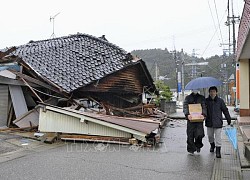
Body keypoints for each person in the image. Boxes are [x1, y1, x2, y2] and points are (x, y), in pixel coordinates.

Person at [205, 86, 231, 158]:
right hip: (209, 122)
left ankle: (218, 152)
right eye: (211, 91)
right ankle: (212, 145)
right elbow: (202, 110)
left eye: (214, 91)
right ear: (209, 92)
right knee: (210, 136)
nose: (212, 93)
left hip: (218, 122)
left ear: (216, 92)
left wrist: (228, 119)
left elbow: (225, 110)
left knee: (218, 137)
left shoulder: (220, 101)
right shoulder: (206, 101)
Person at [183, 89, 206, 154]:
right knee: (190, 134)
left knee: (199, 134)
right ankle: (191, 149)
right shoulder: (188, 98)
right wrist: (187, 114)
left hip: (199, 119)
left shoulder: (202, 98)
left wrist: (203, 114)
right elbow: (185, 106)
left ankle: (198, 146)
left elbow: (204, 106)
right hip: (191, 119)